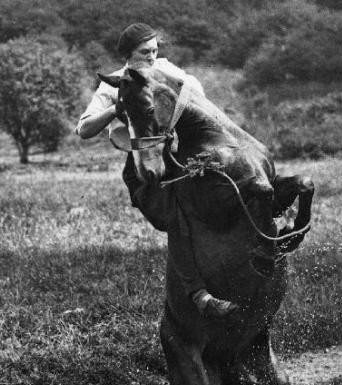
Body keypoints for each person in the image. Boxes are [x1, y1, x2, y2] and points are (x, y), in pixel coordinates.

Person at [76, 23, 238, 318]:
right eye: (144, 52)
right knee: (179, 215)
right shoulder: (112, 84)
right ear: (128, 54)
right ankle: (197, 294)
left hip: (179, 149)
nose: (152, 57)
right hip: (143, 164)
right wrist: (117, 108)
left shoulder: (164, 68)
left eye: (155, 50)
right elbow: (83, 129)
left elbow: (196, 91)